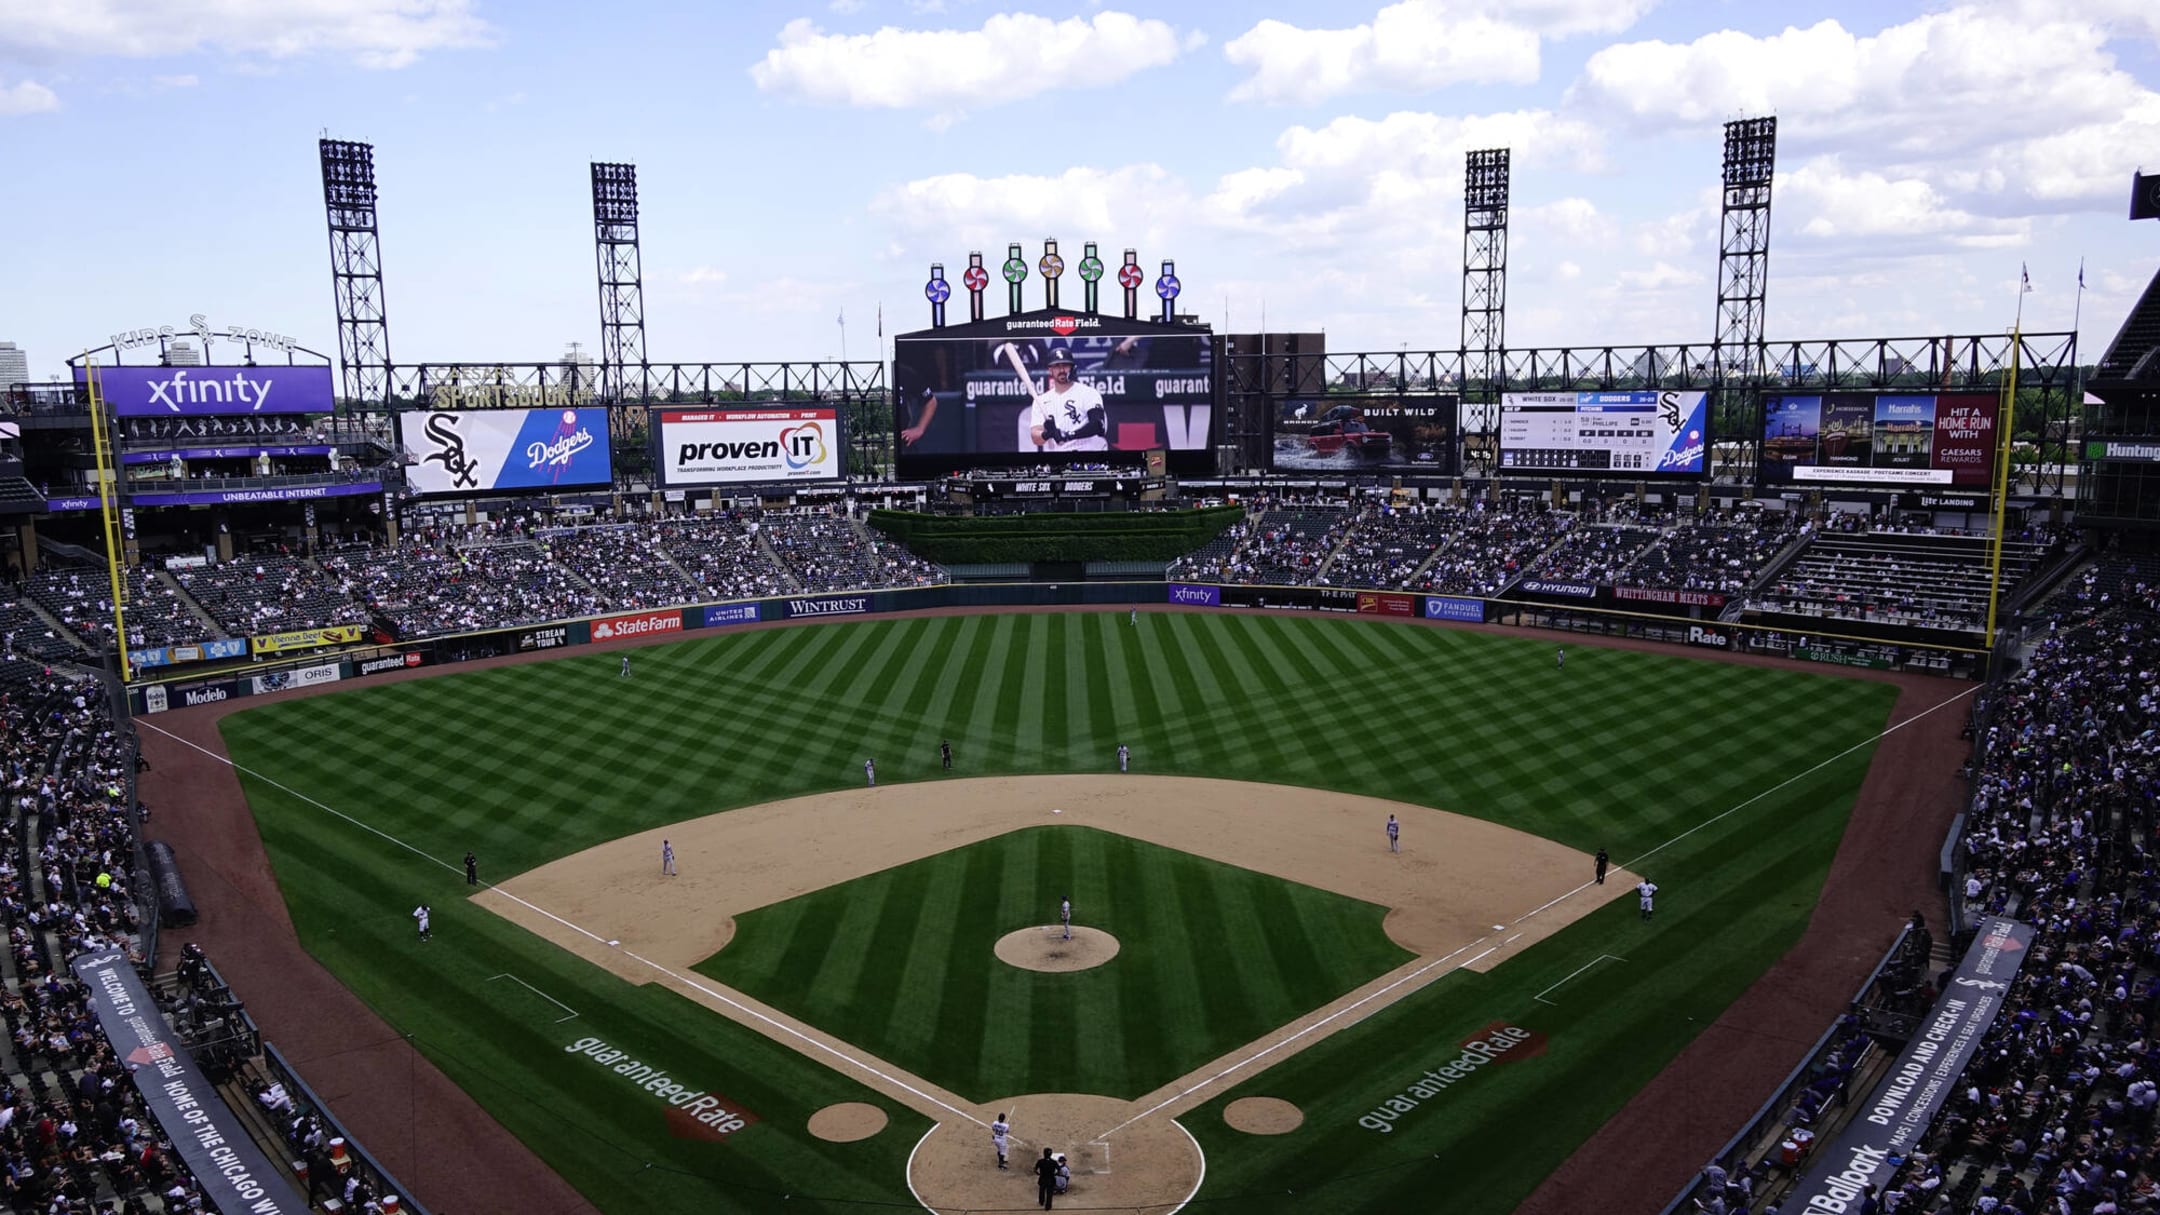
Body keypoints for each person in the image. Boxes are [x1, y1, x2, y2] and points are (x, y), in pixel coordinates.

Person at [1028, 346, 1108, 452]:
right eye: (1057, 366)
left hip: (1091, 451)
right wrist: (1047, 434)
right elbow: (1035, 438)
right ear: (1050, 370)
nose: (1061, 370)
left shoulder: (1089, 393)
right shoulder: (1042, 400)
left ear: (1072, 367)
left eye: (1065, 365)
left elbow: (1098, 425)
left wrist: (1068, 435)